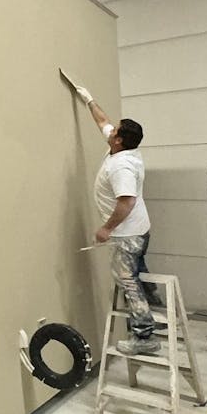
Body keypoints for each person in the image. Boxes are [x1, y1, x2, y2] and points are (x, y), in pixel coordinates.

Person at [65, 76, 160, 355]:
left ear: (118, 140)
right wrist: (88, 99)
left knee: (127, 280)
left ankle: (145, 336)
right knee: (137, 272)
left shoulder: (122, 167)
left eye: (115, 131)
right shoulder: (123, 147)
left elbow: (126, 202)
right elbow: (102, 120)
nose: (110, 129)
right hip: (138, 230)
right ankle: (153, 304)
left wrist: (106, 228)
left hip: (128, 235)